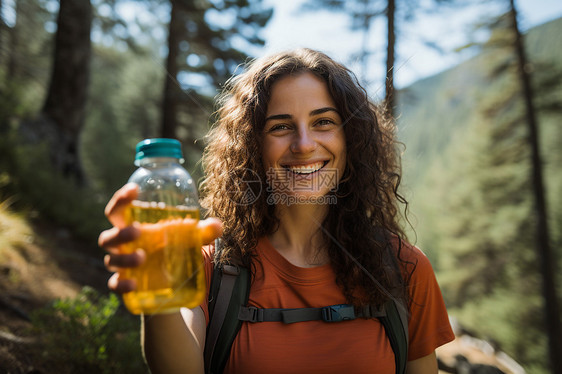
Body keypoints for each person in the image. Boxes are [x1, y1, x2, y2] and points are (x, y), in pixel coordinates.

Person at [99, 48, 455, 374]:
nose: (303, 144)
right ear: (253, 145)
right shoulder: (211, 268)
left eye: (323, 122)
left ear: (352, 139)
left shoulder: (404, 269)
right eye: (281, 126)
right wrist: (158, 292)